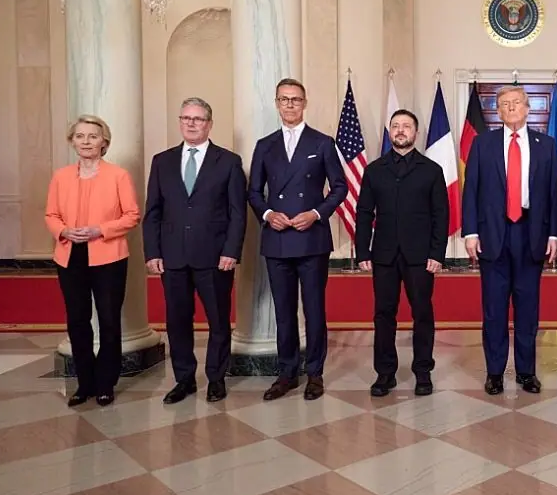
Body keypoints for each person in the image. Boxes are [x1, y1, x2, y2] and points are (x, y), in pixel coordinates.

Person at [247, 78, 348, 401]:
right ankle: (287, 372)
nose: (290, 105)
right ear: (277, 104)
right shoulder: (265, 145)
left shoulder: (322, 142)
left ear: (305, 103)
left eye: (295, 99)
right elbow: (253, 191)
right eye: (284, 99)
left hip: (311, 238)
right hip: (277, 237)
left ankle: (315, 373)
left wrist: (317, 214)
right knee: (283, 310)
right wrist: (267, 215)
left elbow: (339, 187)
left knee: (315, 309)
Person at [461, 85, 557, 395]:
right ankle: (494, 372)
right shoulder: (483, 144)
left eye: (517, 103)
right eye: (505, 104)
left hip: (531, 234)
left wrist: (555, 234)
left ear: (528, 108)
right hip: (493, 235)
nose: (512, 108)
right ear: (498, 111)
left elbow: (554, 195)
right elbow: (471, 191)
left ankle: (526, 372)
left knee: (528, 309)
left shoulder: (546, 145)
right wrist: (470, 232)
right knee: (493, 309)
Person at [144, 97, 247, 404]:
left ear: (209, 124)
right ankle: (184, 379)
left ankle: (216, 378)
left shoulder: (228, 161)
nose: (190, 123)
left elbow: (237, 212)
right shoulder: (161, 161)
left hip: (215, 257)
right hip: (172, 256)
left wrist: (231, 251)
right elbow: (153, 211)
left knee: (217, 320)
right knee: (177, 321)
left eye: (198, 119)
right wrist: (152, 252)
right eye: (185, 118)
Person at [45, 115, 140, 407]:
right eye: (80, 136)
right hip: (70, 254)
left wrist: (101, 229)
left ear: (104, 142)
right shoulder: (60, 176)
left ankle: (105, 383)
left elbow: (132, 215)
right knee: (77, 320)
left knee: (109, 321)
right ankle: (84, 383)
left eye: (93, 136)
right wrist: (63, 231)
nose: (86, 142)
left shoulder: (118, 175)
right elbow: (51, 215)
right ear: (72, 141)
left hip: (108, 255)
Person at [355, 109, 449, 397]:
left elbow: (440, 215)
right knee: (384, 314)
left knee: (422, 313)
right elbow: (363, 213)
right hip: (383, 254)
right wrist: (362, 251)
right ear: (390, 131)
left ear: (415, 133)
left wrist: (437, 253)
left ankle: (423, 372)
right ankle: (385, 374)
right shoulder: (374, 169)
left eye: (406, 126)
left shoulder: (431, 170)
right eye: (395, 126)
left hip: (421, 256)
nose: (400, 130)